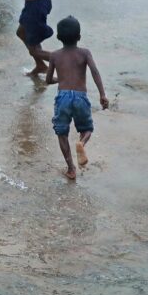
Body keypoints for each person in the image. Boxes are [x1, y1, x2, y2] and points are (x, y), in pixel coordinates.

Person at [45, 16, 109, 180]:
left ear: (58, 37)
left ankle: (71, 169)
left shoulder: (54, 55)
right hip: (80, 97)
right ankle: (82, 143)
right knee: (87, 128)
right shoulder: (85, 53)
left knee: (61, 133)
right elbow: (95, 72)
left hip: (63, 97)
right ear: (79, 37)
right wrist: (102, 94)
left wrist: (62, 79)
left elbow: (48, 80)